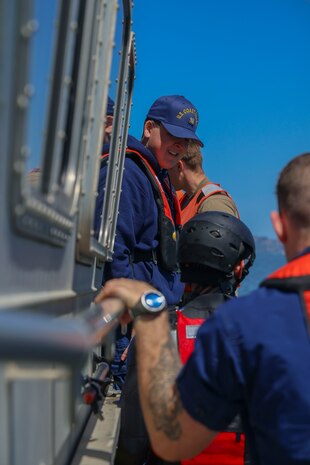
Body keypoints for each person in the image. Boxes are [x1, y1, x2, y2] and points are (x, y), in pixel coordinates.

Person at [96, 152, 310, 464]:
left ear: (279, 227)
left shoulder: (245, 325)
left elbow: (166, 442)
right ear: (237, 268)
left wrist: (151, 320)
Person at [95, 95, 203, 390]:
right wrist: (131, 319)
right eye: (173, 135)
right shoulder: (130, 173)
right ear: (148, 128)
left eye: (185, 141)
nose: (179, 147)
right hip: (133, 329)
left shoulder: (155, 175)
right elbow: (115, 250)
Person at [168, 142, 238, 225]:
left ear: (179, 166)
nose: (165, 174)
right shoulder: (186, 201)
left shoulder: (214, 203)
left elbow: (225, 236)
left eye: (168, 168)